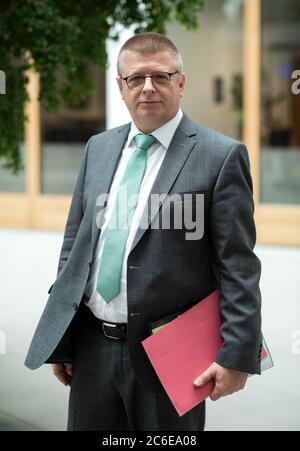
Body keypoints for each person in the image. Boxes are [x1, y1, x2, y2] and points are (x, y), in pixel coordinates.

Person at [25, 32, 262, 431]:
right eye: (136, 78)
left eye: (161, 76)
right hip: (92, 348)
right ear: (121, 87)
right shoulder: (97, 148)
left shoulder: (219, 156)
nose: (148, 87)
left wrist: (237, 353)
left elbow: (238, 267)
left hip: (170, 354)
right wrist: (65, 336)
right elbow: (76, 247)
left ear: (181, 83)